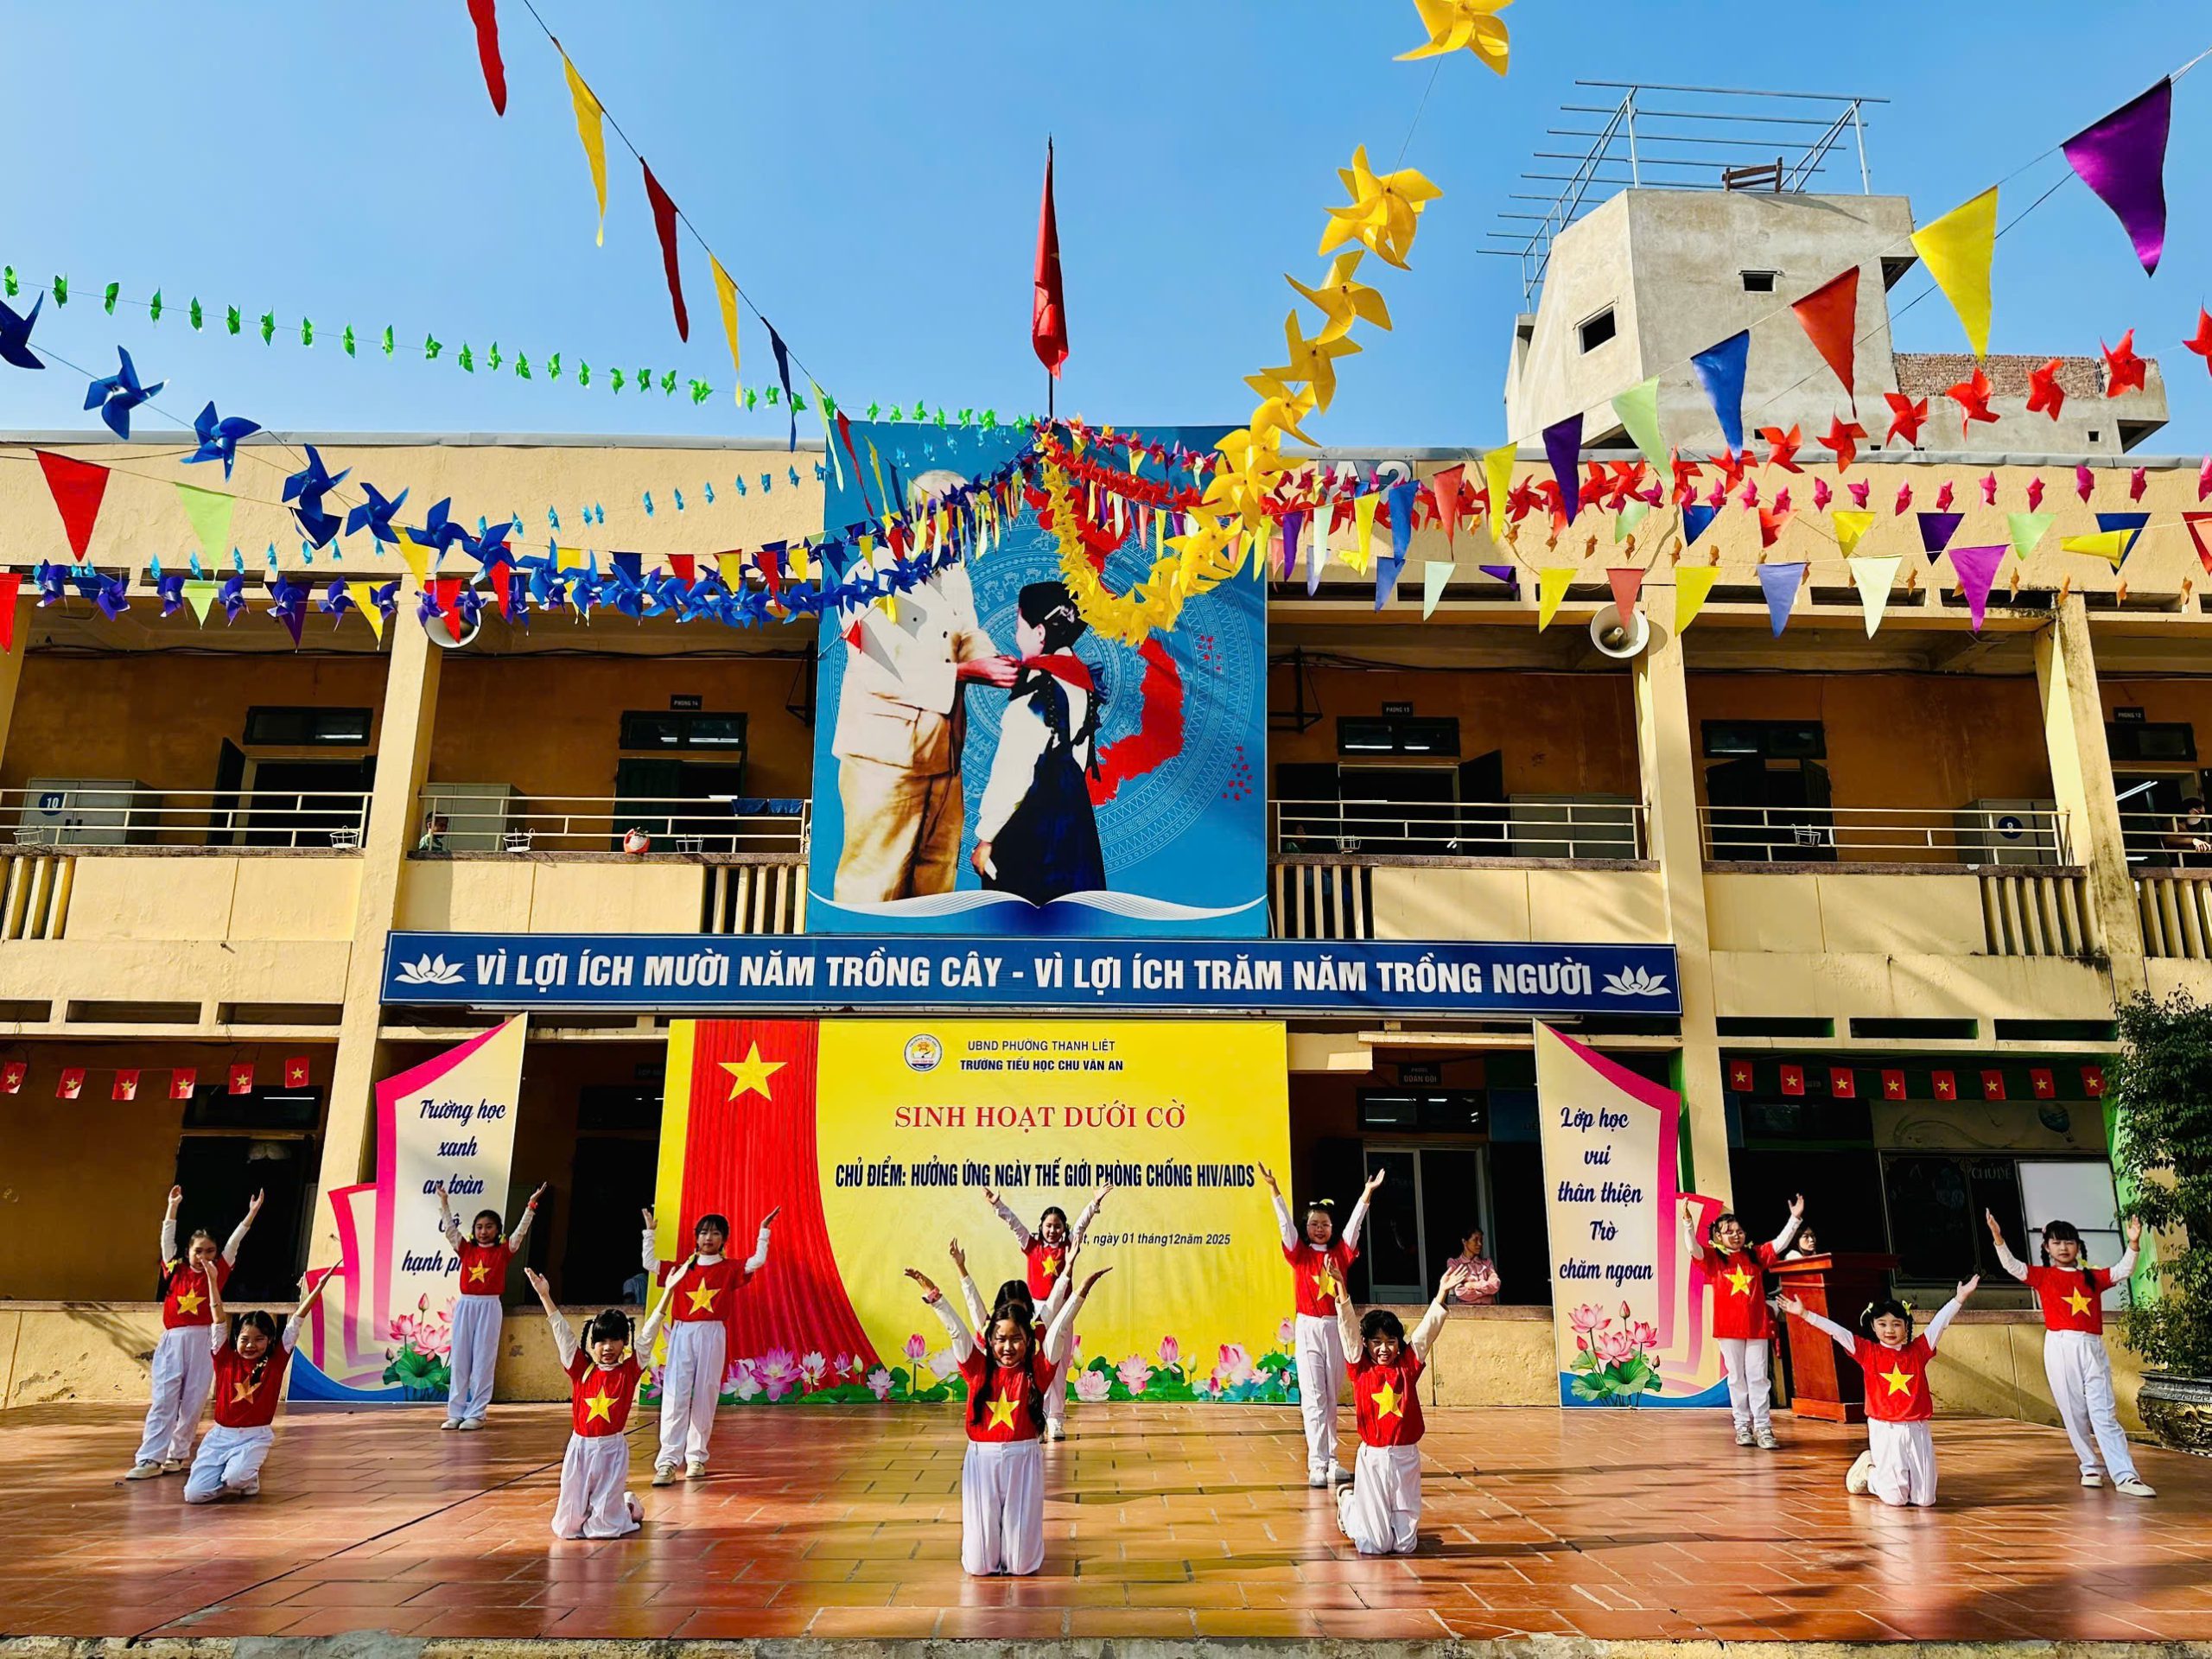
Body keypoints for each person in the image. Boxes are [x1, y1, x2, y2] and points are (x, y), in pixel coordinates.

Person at [830, 469, 1012, 903]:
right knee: (875, 881)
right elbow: (879, 667)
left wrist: (993, 660)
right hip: (883, 759)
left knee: (936, 876)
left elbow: (966, 632)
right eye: (962, 518)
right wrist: (966, 674)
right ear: (924, 514)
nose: (969, 530)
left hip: (943, 754)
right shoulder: (871, 574)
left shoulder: (953, 573)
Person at [906, 1254, 1106, 1577]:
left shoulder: (1037, 1372)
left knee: (1022, 1565)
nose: (1008, 1347)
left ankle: (1016, 1553)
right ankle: (989, 1552)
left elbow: (1057, 1330)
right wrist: (935, 1297)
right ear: (990, 1340)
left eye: (1016, 1339)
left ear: (1028, 1340)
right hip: (981, 1461)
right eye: (1000, 1339)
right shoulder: (976, 1368)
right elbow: (956, 1331)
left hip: (1023, 1459)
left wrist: (1080, 1291)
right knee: (979, 1566)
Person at [1985, 1210, 2155, 1497]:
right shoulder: (2043, 1276)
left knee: (2104, 1412)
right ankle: (2090, 1467)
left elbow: (2123, 1270)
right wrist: (1998, 1237)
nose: (2063, 1248)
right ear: (2046, 1247)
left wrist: (2134, 1243)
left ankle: (2126, 1476)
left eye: (2069, 1242)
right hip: (2061, 1345)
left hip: (2092, 1345)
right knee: (2073, 1411)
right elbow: (2013, 1266)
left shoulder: (2092, 1277)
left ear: (2078, 1246)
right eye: (2056, 1243)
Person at [1781, 1275, 1978, 1508]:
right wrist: (1805, 1314)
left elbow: (1939, 1323)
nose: (1890, 1330)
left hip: (1917, 1428)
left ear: (1906, 1326)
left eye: (1896, 1324)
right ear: (1873, 1326)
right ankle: (1870, 1472)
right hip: (1885, 1428)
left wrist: (1959, 1299)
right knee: (1895, 1499)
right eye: (1882, 1324)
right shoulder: (1867, 1351)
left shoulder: (1919, 1350)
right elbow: (1838, 1332)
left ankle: (1889, 1477)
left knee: (1925, 1500)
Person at [969, 581, 1105, 905]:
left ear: (1040, 632)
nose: (1017, 636)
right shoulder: (1081, 682)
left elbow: (1013, 773)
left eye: (1020, 627)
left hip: (1034, 832)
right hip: (1075, 826)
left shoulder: (1035, 689)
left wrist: (986, 838)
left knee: (1019, 914)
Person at [524, 1265, 683, 1540]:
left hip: (612, 1450)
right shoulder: (580, 1369)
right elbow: (562, 1333)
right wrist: (544, 1296)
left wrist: (668, 1292)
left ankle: (626, 1506)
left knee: (604, 1529)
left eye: (615, 1340)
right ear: (592, 1343)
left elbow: (649, 1334)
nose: (607, 1347)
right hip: (580, 1450)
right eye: (601, 1341)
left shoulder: (629, 1371)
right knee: (567, 1527)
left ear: (625, 1342)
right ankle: (614, 1505)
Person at [1334, 1262, 1479, 1554]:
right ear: (1366, 1344)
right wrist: (1341, 1288)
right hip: (1373, 1460)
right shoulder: (1359, 1368)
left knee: (1404, 1545)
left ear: (1399, 1345)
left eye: (1390, 1342)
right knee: (1373, 1546)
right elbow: (1348, 1329)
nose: (1383, 1349)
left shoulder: (1408, 1366)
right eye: (1376, 1342)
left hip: (1406, 1459)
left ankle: (1382, 1522)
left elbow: (1426, 1333)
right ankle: (1349, 1506)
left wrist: (1442, 1293)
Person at [1259, 1160, 1385, 1487]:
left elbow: (1355, 1226)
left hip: (1335, 1327)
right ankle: (1316, 1463)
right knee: (1314, 1396)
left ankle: (1332, 1460)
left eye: (1325, 1224)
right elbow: (1285, 1226)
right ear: (1307, 1227)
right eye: (1314, 1223)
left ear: (1331, 1228)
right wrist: (1274, 1190)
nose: (1319, 1228)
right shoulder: (1299, 1254)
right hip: (1308, 1328)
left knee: (1330, 1396)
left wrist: (1367, 1193)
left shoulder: (1341, 1253)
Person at [128, 1185, 264, 1480]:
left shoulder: (219, 1271)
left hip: (205, 1338)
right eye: (198, 1251)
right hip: (174, 1339)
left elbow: (235, 1242)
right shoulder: (175, 1269)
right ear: (187, 1252)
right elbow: (166, 1239)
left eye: (210, 1251)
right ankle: (150, 1458)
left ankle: (177, 1455)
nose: (203, 1256)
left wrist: (251, 1214)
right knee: (164, 1399)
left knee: (193, 1401)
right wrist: (172, 1206)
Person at [640, 1203, 777, 1486]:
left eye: (715, 1233)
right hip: (683, 1332)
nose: (708, 1238)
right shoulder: (681, 1269)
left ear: (724, 1239)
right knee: (675, 1394)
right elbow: (650, 1263)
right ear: (696, 1237)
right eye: (703, 1233)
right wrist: (649, 1233)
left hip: (713, 1333)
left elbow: (756, 1261)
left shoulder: (728, 1268)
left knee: (706, 1392)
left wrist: (763, 1231)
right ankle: (667, 1462)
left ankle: (696, 1458)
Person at [183, 1264, 334, 1503]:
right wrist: (212, 1280)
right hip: (220, 1437)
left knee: (236, 1479)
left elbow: (296, 1322)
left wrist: (318, 1288)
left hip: (254, 1437)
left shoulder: (275, 1361)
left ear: (270, 1340)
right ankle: (231, 1475)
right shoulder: (224, 1357)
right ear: (236, 1338)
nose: (251, 1345)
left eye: (259, 1339)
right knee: (194, 1496)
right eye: (245, 1339)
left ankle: (246, 1478)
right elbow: (218, 1318)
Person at [982, 1184, 1111, 1439]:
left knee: (1059, 1367)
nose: (1052, 1230)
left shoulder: (1069, 1246)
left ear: (1064, 1229)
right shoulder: (1031, 1245)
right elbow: (1014, 1223)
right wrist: (998, 1204)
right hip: (1037, 1312)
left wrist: (1094, 1203)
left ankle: (1056, 1419)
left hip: (1062, 1310)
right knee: (1036, 1365)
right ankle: (1037, 1418)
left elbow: (1081, 1226)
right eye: (1048, 1226)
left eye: (1058, 1226)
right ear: (1041, 1226)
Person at [1682, 1193, 1804, 1449]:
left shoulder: (1755, 1256)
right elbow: (1693, 1249)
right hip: (1729, 1329)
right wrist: (1688, 1225)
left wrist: (1794, 1218)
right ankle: (1742, 1427)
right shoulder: (1714, 1259)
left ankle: (1763, 1427)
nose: (1736, 1235)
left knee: (1758, 1377)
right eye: (1729, 1232)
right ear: (1718, 1237)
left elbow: (1779, 1244)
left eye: (1739, 1231)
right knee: (1737, 1377)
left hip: (1757, 1328)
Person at [435, 1179, 547, 1432]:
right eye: (479, 1227)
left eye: (489, 1227)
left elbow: (520, 1232)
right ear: (474, 1230)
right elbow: (450, 1230)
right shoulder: (465, 1249)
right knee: (460, 1359)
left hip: (490, 1306)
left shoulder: (503, 1251)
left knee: (483, 1361)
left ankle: (477, 1413)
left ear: (498, 1230)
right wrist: (444, 1202)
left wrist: (531, 1206)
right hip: (466, 1305)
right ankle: (455, 1413)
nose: (484, 1231)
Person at [1440, 1226, 1501, 1305]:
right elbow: (1460, 1292)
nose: (1480, 1244)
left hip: (1489, 1311)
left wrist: (1471, 1285)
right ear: (1464, 1241)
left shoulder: (1487, 1263)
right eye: (1475, 1240)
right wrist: (1487, 1293)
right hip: (1465, 1311)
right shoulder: (1455, 1264)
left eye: (1481, 1240)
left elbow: (1495, 1285)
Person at [2161, 797, 2212, 867]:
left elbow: (2202, 842)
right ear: (2190, 811)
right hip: (2182, 859)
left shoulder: (2200, 825)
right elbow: (2169, 839)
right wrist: (2193, 840)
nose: (2200, 817)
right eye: (2198, 813)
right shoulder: (2171, 823)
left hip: (2198, 857)